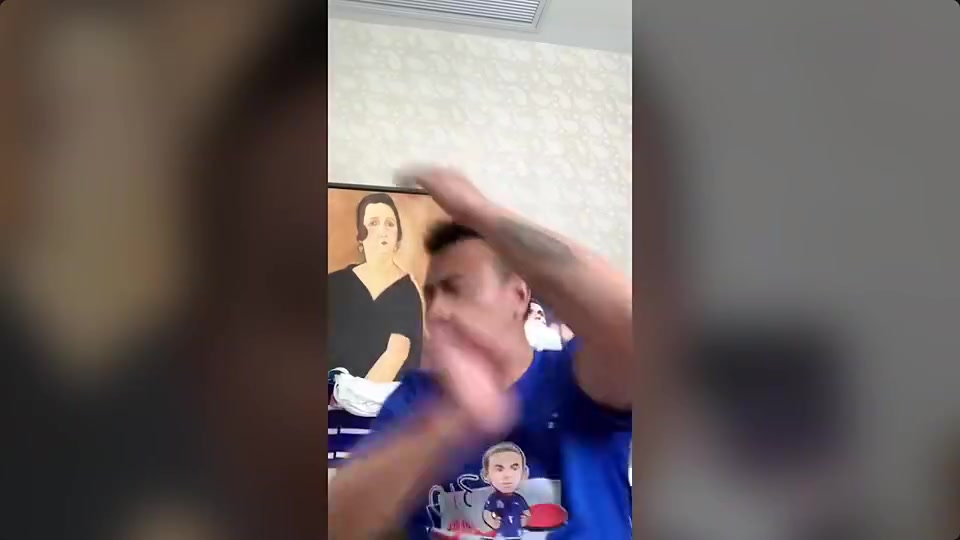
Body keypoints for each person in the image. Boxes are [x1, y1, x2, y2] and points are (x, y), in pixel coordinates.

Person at [328, 167, 634, 540]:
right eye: (430, 295)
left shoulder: (577, 376)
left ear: (518, 296)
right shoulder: (415, 397)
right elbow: (337, 523)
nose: (436, 312)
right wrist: (448, 424)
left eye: (455, 289)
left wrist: (477, 211)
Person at [328, 192, 424, 382]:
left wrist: (353, 395)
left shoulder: (406, 292)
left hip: (378, 397)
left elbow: (396, 355)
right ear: (360, 236)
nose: (383, 231)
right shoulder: (335, 284)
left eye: (390, 224)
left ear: (398, 236)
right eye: (373, 223)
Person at [481, 442, 532, 539]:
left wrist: (525, 520)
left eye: (514, 468)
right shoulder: (493, 499)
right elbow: (487, 514)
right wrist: (492, 522)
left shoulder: (519, 499)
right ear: (486, 475)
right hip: (502, 535)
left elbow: (527, 513)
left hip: (519, 534)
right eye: (499, 469)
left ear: (524, 473)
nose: (507, 475)